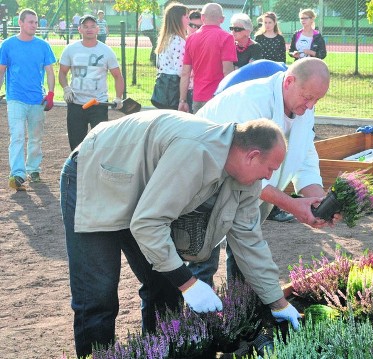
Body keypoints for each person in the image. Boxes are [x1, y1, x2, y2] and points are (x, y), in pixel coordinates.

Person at [61, 112, 302, 358]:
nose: (270, 177)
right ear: (252, 156)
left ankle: (159, 353)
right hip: (96, 172)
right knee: (98, 296)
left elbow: (249, 240)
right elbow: (148, 223)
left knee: (165, 287)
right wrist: (189, 283)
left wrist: (277, 302)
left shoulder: (246, 182)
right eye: (270, 168)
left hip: (142, 192)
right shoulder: (195, 153)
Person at [195, 57, 333, 285]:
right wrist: (293, 205)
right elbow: (249, 172)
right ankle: (196, 319)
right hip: (207, 183)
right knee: (203, 259)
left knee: (245, 255)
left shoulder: (303, 107)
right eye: (308, 97)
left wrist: (318, 202)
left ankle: (241, 315)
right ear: (289, 81)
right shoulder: (253, 101)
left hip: (248, 191)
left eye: (316, 100)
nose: (310, 106)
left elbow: (305, 158)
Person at [0, 9, 56, 190]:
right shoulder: (7, 45)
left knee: (36, 137)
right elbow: (1, 71)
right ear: (21, 23)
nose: (34, 25)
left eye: (36, 22)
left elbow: (49, 71)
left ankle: (33, 168)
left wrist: (51, 93)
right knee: (16, 135)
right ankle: (17, 174)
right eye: (31, 22)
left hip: (36, 99)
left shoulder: (43, 45)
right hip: (15, 98)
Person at [59, 14, 125, 151]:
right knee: (76, 144)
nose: (89, 29)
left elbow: (118, 76)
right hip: (76, 104)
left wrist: (119, 97)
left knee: (100, 143)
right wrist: (66, 88)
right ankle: (77, 170)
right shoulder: (70, 50)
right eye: (85, 26)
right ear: (79, 29)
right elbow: (62, 73)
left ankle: (96, 171)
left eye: (93, 26)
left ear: (98, 29)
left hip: (98, 104)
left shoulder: (106, 51)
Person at [178, 2, 236, 114]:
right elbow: (227, 71)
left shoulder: (191, 39)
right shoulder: (227, 38)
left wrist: (182, 100)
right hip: (218, 97)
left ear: (202, 17)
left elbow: (185, 73)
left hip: (198, 96)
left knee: (199, 130)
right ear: (222, 19)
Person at [152, 2, 189, 110]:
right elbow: (181, 70)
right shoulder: (178, 41)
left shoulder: (165, 39)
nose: (188, 20)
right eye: (186, 17)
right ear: (178, 19)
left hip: (162, 84)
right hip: (173, 87)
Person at [185, 10, 203, 113]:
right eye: (192, 25)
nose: (195, 29)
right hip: (181, 88)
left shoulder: (203, 44)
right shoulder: (181, 42)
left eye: (199, 27)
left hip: (196, 89)